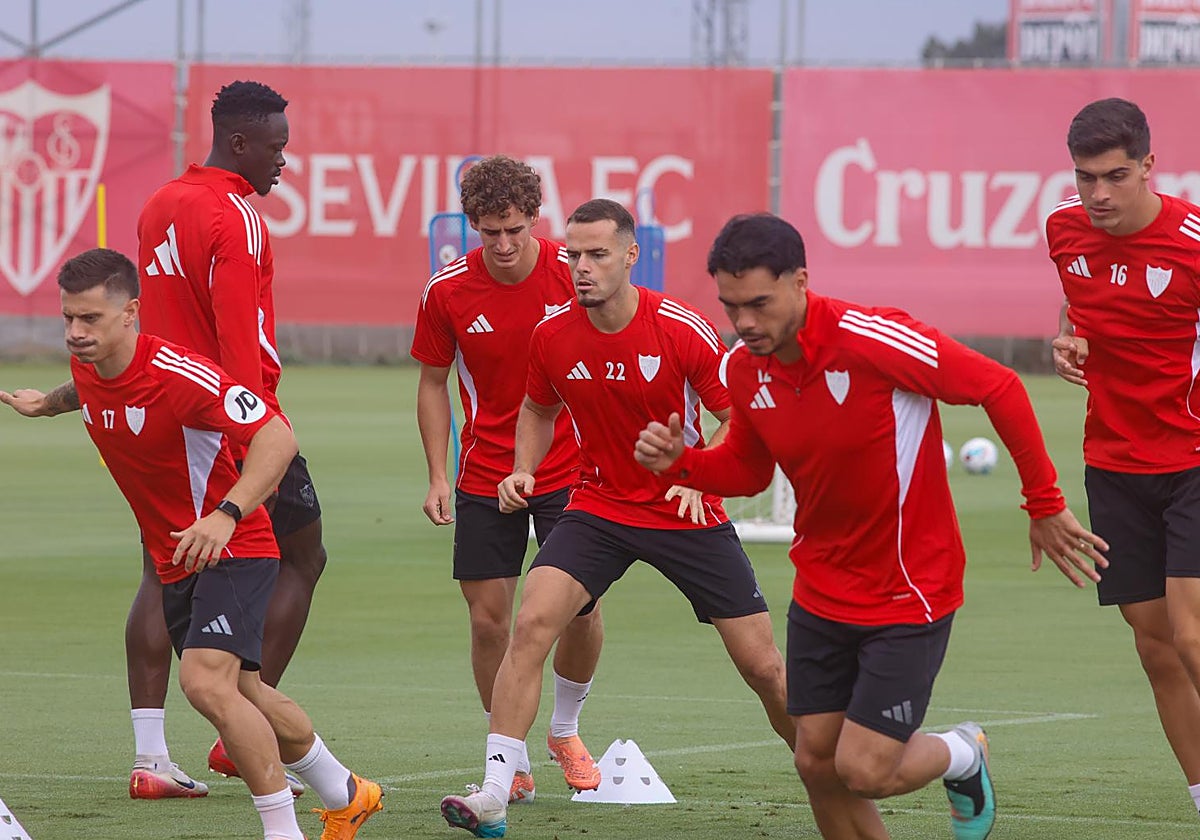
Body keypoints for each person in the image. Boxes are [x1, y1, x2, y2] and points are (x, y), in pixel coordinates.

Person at [632, 213, 1106, 840]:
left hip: (909, 589)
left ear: (801, 281)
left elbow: (999, 385)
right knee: (814, 761)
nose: (744, 322)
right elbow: (748, 471)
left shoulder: (874, 339)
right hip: (822, 589)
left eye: (759, 303)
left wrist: (1043, 503)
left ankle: (964, 753)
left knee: (862, 767)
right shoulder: (747, 369)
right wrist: (684, 463)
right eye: (730, 305)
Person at [1, 80, 318, 797]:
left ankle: (151, 754)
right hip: (222, 417)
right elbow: (238, 335)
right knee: (302, 552)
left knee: (163, 560)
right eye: (276, 147)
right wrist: (252, 430)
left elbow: (133, 332)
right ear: (241, 143)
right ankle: (241, 725)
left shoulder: (160, 202)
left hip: (153, 406)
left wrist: (59, 399)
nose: (283, 163)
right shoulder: (237, 216)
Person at [439, 199, 793, 839]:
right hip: (598, 504)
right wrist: (523, 468)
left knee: (764, 667)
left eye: (598, 254)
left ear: (632, 255)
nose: (581, 267)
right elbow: (538, 410)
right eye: (573, 254)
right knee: (531, 624)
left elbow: (735, 415)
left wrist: (701, 471)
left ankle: (829, 766)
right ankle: (496, 788)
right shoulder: (553, 334)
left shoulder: (680, 329)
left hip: (685, 510)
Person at [41, 247, 382, 840]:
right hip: (178, 559)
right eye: (68, 317)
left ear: (131, 314)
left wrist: (227, 512)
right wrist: (44, 404)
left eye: (90, 319)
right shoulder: (88, 366)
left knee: (204, 684)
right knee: (246, 690)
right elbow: (83, 388)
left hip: (236, 547)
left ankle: (283, 831)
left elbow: (277, 437)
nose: (76, 332)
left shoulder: (179, 373)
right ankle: (347, 793)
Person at [412, 155, 604, 802]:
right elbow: (433, 384)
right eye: (488, 231)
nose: (501, 244)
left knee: (581, 607)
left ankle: (566, 729)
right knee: (489, 621)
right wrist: (437, 474)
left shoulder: (571, 274)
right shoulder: (445, 292)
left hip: (572, 466)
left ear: (534, 220)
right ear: (471, 225)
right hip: (485, 471)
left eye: (513, 230)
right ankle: (509, 758)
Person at [1049, 97, 1200, 819]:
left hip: (1194, 458)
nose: (1099, 194)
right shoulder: (1063, 231)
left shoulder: (1195, 244)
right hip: (1113, 463)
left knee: (1193, 633)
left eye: (1115, 176)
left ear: (1148, 165)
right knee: (1156, 647)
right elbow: (1078, 301)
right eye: (1085, 178)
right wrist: (1069, 334)